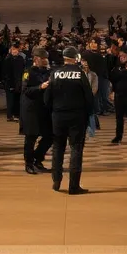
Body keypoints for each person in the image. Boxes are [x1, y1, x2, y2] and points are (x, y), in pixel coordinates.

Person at [45, 46, 93, 194]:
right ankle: (73, 186)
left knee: (58, 148)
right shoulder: (80, 74)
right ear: (75, 58)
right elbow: (89, 97)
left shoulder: (55, 73)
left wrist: (52, 111)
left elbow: (47, 97)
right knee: (76, 149)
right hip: (77, 116)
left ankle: (56, 181)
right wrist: (89, 115)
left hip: (58, 116)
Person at [21, 47, 53, 173]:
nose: (45, 61)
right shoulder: (28, 72)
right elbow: (25, 91)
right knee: (31, 137)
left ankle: (37, 159)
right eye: (43, 58)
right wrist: (40, 87)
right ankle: (28, 164)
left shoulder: (48, 72)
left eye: (46, 58)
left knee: (50, 136)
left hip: (45, 108)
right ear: (36, 59)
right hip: (31, 109)